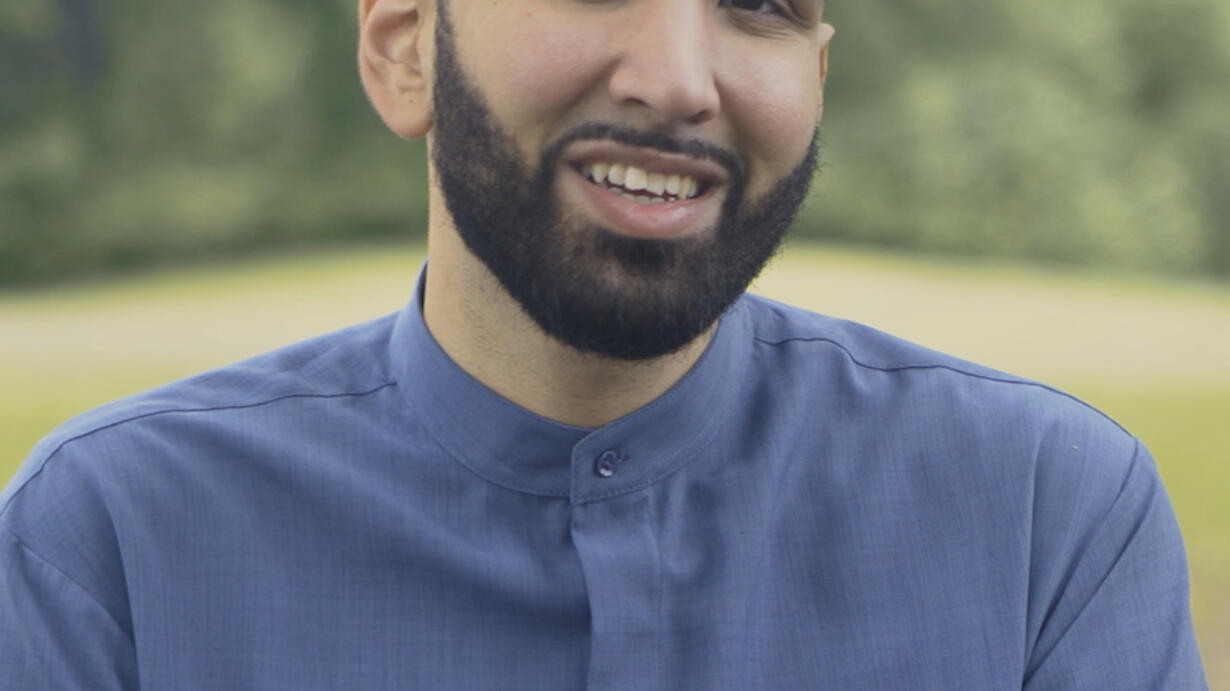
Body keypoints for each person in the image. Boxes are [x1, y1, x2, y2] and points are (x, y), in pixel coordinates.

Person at [0, 0, 1208, 687]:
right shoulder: (107, 544)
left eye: (759, 3)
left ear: (817, 75)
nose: (679, 81)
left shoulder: (1047, 516)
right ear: (405, 46)